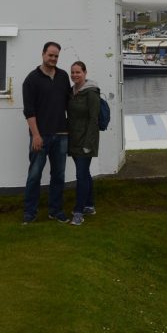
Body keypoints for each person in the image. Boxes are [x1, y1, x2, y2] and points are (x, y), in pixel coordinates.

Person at [22, 41, 71, 224]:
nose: (53, 59)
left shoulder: (63, 76)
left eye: (56, 56)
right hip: (40, 137)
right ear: (43, 54)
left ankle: (56, 211)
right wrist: (35, 135)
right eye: (50, 55)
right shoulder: (31, 80)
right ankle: (30, 213)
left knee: (58, 175)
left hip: (61, 135)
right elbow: (29, 111)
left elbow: (69, 104)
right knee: (34, 175)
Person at [67, 61, 101, 226]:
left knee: (81, 176)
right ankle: (89, 205)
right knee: (85, 173)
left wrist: (88, 143)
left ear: (85, 73)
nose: (74, 75)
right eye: (72, 72)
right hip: (74, 139)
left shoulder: (91, 93)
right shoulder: (72, 91)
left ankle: (79, 212)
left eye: (78, 72)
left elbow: (94, 120)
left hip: (86, 141)